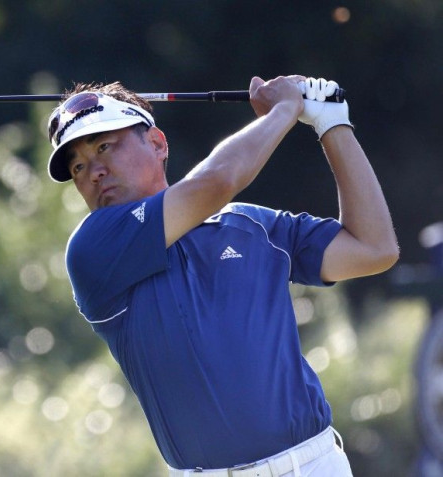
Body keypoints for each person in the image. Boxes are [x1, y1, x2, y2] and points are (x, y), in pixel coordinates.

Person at [45, 75, 399, 476]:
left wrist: (332, 123)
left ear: (158, 143)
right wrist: (286, 109)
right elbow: (217, 181)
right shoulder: (93, 250)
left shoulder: (254, 226)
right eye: (78, 166)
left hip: (317, 463)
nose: (94, 172)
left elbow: (374, 249)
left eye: (105, 146)